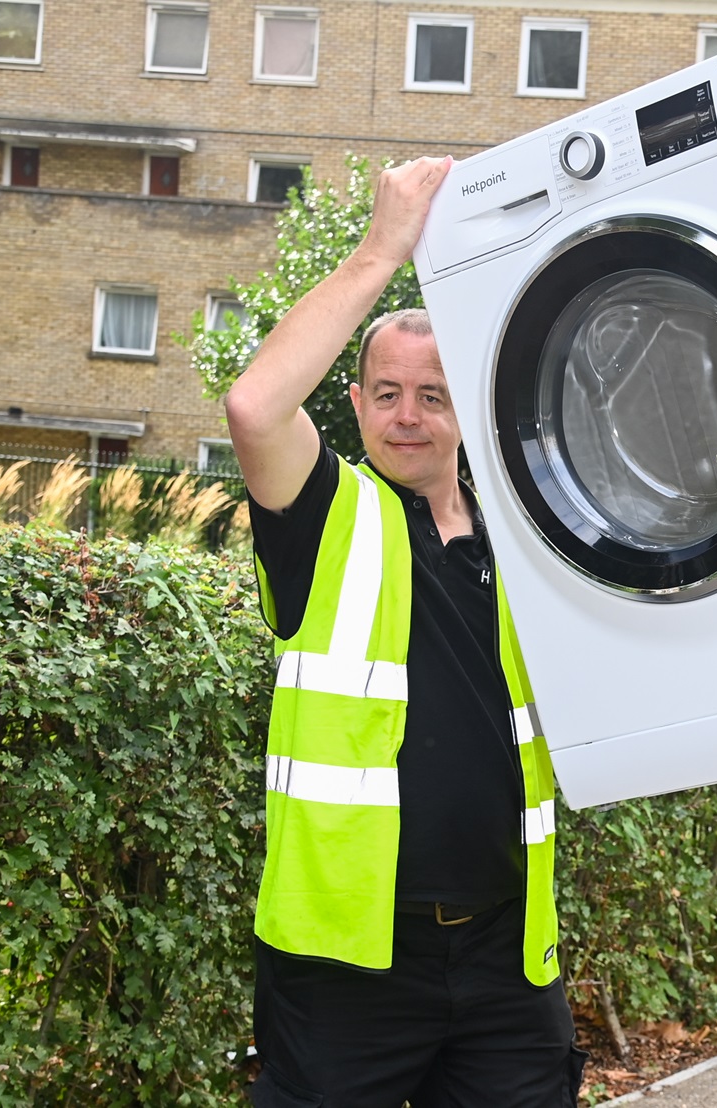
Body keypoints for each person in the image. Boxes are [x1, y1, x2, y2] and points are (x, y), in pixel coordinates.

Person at [225, 155, 585, 1107]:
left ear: (469, 403)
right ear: (354, 404)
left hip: (508, 955)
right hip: (348, 962)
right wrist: (385, 249)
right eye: (386, 393)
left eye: (433, 395)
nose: (408, 417)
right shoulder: (329, 514)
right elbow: (256, 406)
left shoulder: (531, 539)